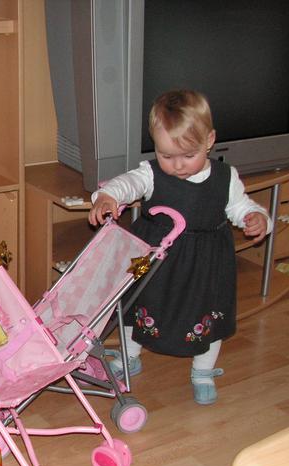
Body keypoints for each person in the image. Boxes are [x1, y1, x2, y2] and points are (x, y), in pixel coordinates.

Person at [88, 89, 271, 405]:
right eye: (166, 155)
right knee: (134, 304)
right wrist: (108, 197)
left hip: (205, 263)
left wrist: (257, 218)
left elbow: (241, 206)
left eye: (188, 155)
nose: (177, 165)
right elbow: (127, 183)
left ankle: (203, 371)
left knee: (208, 316)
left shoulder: (225, 177)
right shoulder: (151, 174)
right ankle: (130, 355)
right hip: (152, 257)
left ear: (209, 140)